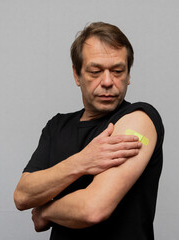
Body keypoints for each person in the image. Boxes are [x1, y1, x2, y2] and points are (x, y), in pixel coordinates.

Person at [14, 22, 164, 240]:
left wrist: (45, 211)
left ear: (129, 75)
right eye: (95, 71)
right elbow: (22, 195)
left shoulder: (139, 119)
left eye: (118, 71)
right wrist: (82, 162)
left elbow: (93, 208)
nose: (107, 82)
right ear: (77, 75)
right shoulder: (56, 127)